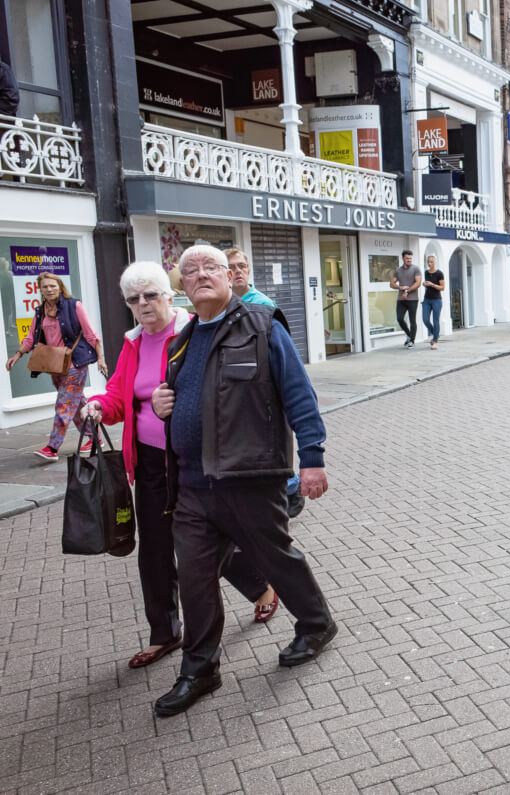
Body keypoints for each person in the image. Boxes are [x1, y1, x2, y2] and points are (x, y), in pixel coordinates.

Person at [149, 244, 336, 716]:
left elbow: (299, 394)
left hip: (250, 477)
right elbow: (178, 400)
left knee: (276, 559)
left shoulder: (262, 326)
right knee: (193, 579)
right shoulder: (181, 342)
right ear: (182, 287)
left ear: (230, 277)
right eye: (190, 270)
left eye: (211, 267)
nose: (201, 275)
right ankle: (200, 669)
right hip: (192, 485)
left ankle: (315, 624)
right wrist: (159, 406)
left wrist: (311, 458)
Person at [79, 261, 277, 670]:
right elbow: (118, 395)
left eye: (151, 294)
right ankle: (164, 634)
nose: (143, 304)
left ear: (171, 296)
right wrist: (98, 405)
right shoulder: (133, 342)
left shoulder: (194, 332)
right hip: (150, 465)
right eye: (134, 299)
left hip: (192, 459)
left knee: (201, 546)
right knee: (154, 551)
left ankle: (260, 587)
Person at [225, 247, 304, 517]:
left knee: (272, 443)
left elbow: (282, 355)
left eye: (241, 266)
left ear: (248, 270)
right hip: (237, 389)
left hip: (264, 387)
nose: (237, 272)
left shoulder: (263, 305)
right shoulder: (220, 306)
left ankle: (291, 489)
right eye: (231, 267)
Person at [6, 272, 106, 461]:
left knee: (63, 405)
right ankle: (95, 438)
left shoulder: (74, 305)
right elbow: (30, 338)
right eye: (45, 287)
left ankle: (52, 447)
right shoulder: (40, 310)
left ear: (60, 287)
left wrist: (101, 358)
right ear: (40, 290)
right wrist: (17, 355)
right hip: (54, 364)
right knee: (76, 405)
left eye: (53, 286)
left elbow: (91, 334)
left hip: (75, 363)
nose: (49, 289)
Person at [389, 250, 422, 347]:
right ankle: (408, 334)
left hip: (413, 299)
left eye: (410, 258)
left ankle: (412, 340)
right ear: (403, 258)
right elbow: (391, 284)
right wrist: (400, 287)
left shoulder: (416, 269)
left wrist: (407, 291)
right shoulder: (398, 270)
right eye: (407, 258)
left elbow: (418, 283)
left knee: (412, 320)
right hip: (401, 299)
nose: (409, 260)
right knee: (399, 318)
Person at [422, 254, 445, 349]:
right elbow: (426, 284)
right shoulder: (426, 272)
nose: (429, 264)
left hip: (436, 300)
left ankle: (435, 341)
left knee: (436, 320)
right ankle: (435, 333)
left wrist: (432, 284)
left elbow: (442, 288)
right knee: (425, 319)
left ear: (435, 262)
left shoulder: (439, 273)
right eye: (428, 262)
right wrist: (424, 284)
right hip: (427, 299)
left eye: (431, 262)